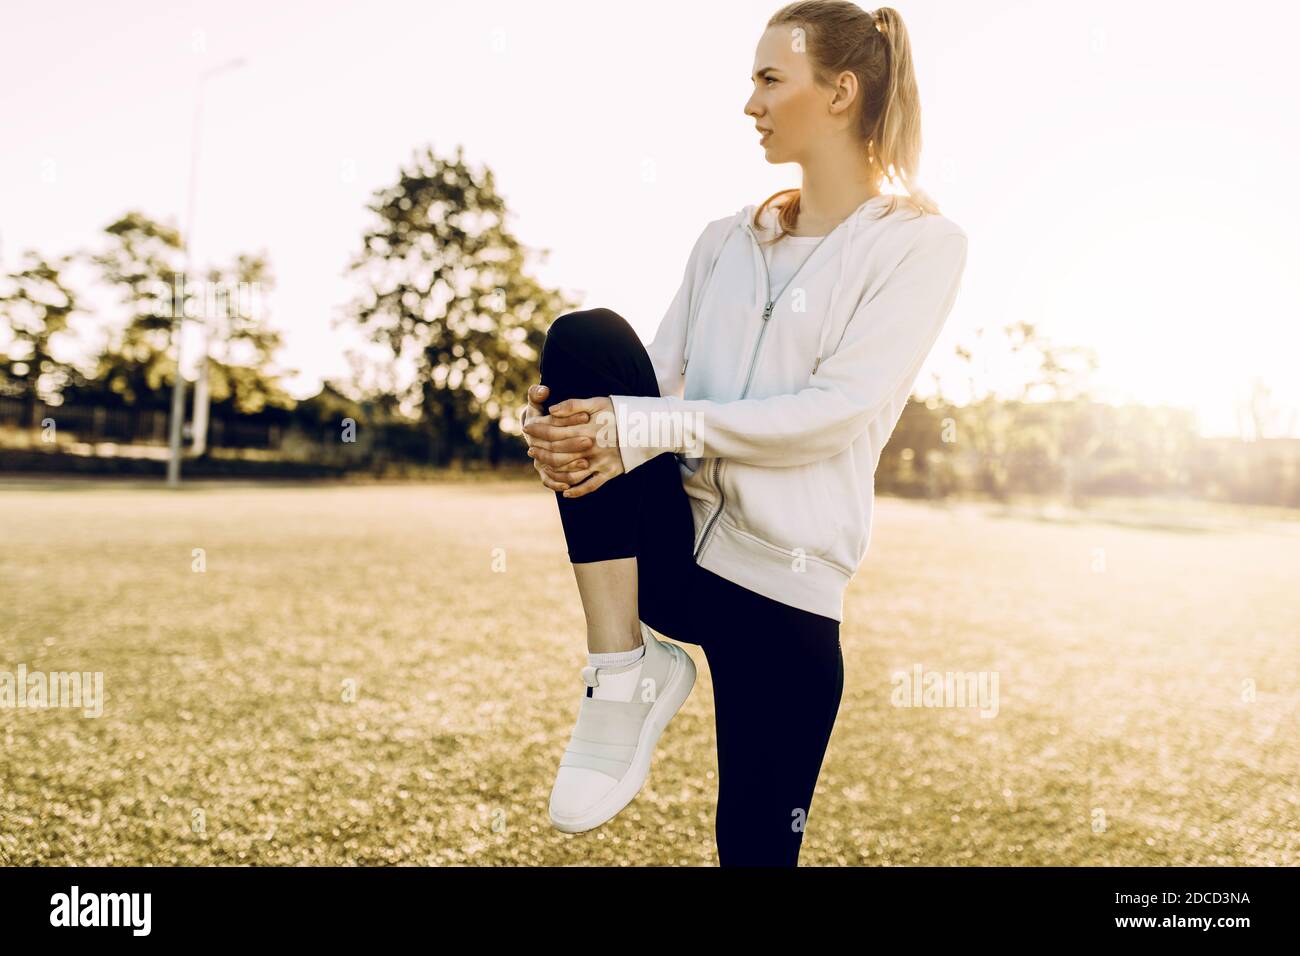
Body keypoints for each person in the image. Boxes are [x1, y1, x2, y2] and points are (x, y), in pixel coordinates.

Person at [520, 1, 969, 866]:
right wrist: (560, 423)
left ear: (840, 92)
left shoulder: (922, 247)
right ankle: (623, 673)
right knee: (585, 340)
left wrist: (637, 424)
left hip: (783, 597)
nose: (750, 103)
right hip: (671, 554)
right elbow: (652, 381)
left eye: (770, 79)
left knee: (756, 852)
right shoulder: (724, 240)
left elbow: (833, 413)